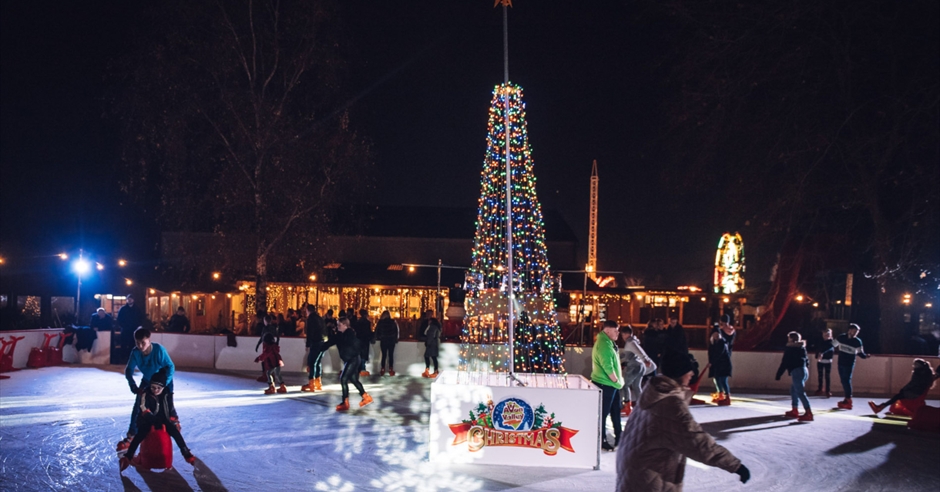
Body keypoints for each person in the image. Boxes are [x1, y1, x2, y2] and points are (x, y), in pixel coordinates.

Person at [616, 350, 750, 491]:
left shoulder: (653, 393)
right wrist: (735, 466)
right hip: (648, 479)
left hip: (633, 473)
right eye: (689, 371)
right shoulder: (671, 406)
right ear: (680, 373)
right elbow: (697, 442)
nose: (692, 374)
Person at [119, 368, 195, 472]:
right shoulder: (146, 393)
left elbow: (171, 408)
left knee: (175, 433)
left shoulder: (167, 394)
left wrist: (174, 420)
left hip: (163, 420)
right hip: (147, 420)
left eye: (159, 388)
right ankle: (128, 456)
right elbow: (143, 408)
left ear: (163, 387)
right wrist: (151, 419)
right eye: (153, 387)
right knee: (140, 435)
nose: (155, 390)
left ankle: (186, 454)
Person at [124, 327, 176, 441]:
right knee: (139, 404)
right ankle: (132, 433)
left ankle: (173, 423)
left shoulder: (158, 350)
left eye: (143, 343)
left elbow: (170, 367)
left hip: (163, 380)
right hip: (148, 380)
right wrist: (132, 384)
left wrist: (164, 385)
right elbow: (129, 370)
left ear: (149, 340)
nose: (140, 346)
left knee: (166, 402)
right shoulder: (135, 352)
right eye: (137, 343)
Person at [320, 317, 372, 411]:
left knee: (343, 379)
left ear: (345, 325)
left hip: (353, 360)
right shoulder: (340, 335)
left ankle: (345, 402)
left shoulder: (350, 334)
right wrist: (320, 347)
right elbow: (330, 342)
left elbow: (359, 345)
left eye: (339, 325)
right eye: (337, 325)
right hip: (351, 360)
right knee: (354, 380)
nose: (337, 326)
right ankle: (366, 397)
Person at [592, 320, 624, 451]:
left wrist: (616, 382)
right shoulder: (604, 345)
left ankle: (619, 437)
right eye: (616, 330)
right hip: (605, 384)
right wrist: (616, 380)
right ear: (608, 330)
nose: (618, 333)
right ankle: (602, 439)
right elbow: (607, 366)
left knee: (615, 411)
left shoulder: (608, 342)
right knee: (603, 413)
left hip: (611, 384)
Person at [868, 359, 937, 414]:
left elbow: (912, 384)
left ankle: (881, 407)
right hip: (919, 393)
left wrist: (903, 390)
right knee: (898, 396)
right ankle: (881, 406)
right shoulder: (928, 373)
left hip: (914, 393)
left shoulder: (918, 374)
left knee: (897, 396)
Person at [829, 323, 870, 409]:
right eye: (854, 331)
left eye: (857, 332)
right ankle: (847, 398)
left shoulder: (857, 341)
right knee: (843, 380)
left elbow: (860, 353)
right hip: (841, 362)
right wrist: (822, 351)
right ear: (849, 330)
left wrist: (865, 356)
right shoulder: (841, 337)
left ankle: (848, 399)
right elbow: (832, 345)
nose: (855, 333)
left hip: (849, 363)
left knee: (846, 380)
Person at [775, 331, 813, 421]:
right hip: (804, 370)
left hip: (796, 371)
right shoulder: (802, 347)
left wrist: (779, 374)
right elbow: (806, 360)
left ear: (791, 339)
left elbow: (784, 362)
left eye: (789, 338)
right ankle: (794, 409)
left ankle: (808, 412)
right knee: (793, 390)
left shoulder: (790, 348)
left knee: (800, 392)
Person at [619, 324, 654, 417]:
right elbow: (627, 353)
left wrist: (645, 360)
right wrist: (617, 357)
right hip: (640, 366)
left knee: (625, 385)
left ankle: (627, 406)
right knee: (636, 386)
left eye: (623, 335)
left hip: (634, 367)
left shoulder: (630, 342)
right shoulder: (633, 341)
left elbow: (639, 352)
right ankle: (642, 407)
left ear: (626, 334)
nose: (622, 337)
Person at [708, 315, 736, 406]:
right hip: (721, 360)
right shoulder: (731, 331)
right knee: (718, 378)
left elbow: (718, 353)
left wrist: (711, 362)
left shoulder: (721, 341)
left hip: (723, 361)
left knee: (722, 379)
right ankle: (720, 394)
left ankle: (726, 396)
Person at [301, 304, 326, 392]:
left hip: (316, 342)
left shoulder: (310, 319)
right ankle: (318, 382)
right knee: (318, 362)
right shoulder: (320, 318)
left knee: (312, 363)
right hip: (323, 342)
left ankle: (312, 383)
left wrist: (308, 344)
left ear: (308, 310)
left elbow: (310, 333)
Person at [117, 294, 144, 363]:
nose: (129, 300)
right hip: (125, 329)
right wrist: (123, 326)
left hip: (134, 329)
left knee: (132, 344)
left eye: (131, 299)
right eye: (128, 299)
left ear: (133, 300)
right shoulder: (123, 309)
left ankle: (132, 359)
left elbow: (140, 318)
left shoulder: (137, 309)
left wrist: (138, 326)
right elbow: (119, 319)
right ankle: (123, 358)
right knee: (124, 344)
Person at [374, 310, 400, 376]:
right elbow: (396, 331)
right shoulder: (393, 322)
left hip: (384, 340)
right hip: (391, 340)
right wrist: (395, 339)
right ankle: (391, 369)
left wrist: (378, 337)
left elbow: (377, 330)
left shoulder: (380, 322)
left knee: (384, 355)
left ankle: (382, 369)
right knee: (391, 355)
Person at [815, 328, 835, 397]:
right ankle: (820, 389)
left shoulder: (832, 342)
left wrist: (822, 353)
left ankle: (827, 390)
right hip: (820, 361)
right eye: (824, 334)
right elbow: (818, 348)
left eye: (827, 334)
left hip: (828, 361)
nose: (826, 335)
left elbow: (829, 348)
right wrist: (817, 356)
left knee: (827, 376)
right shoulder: (820, 341)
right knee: (820, 375)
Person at [354, 309, 374, 376]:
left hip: (359, 339)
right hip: (365, 340)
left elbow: (356, 331)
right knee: (364, 354)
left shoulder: (358, 322)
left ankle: (359, 368)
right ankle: (363, 368)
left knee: (360, 354)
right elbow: (369, 332)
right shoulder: (367, 322)